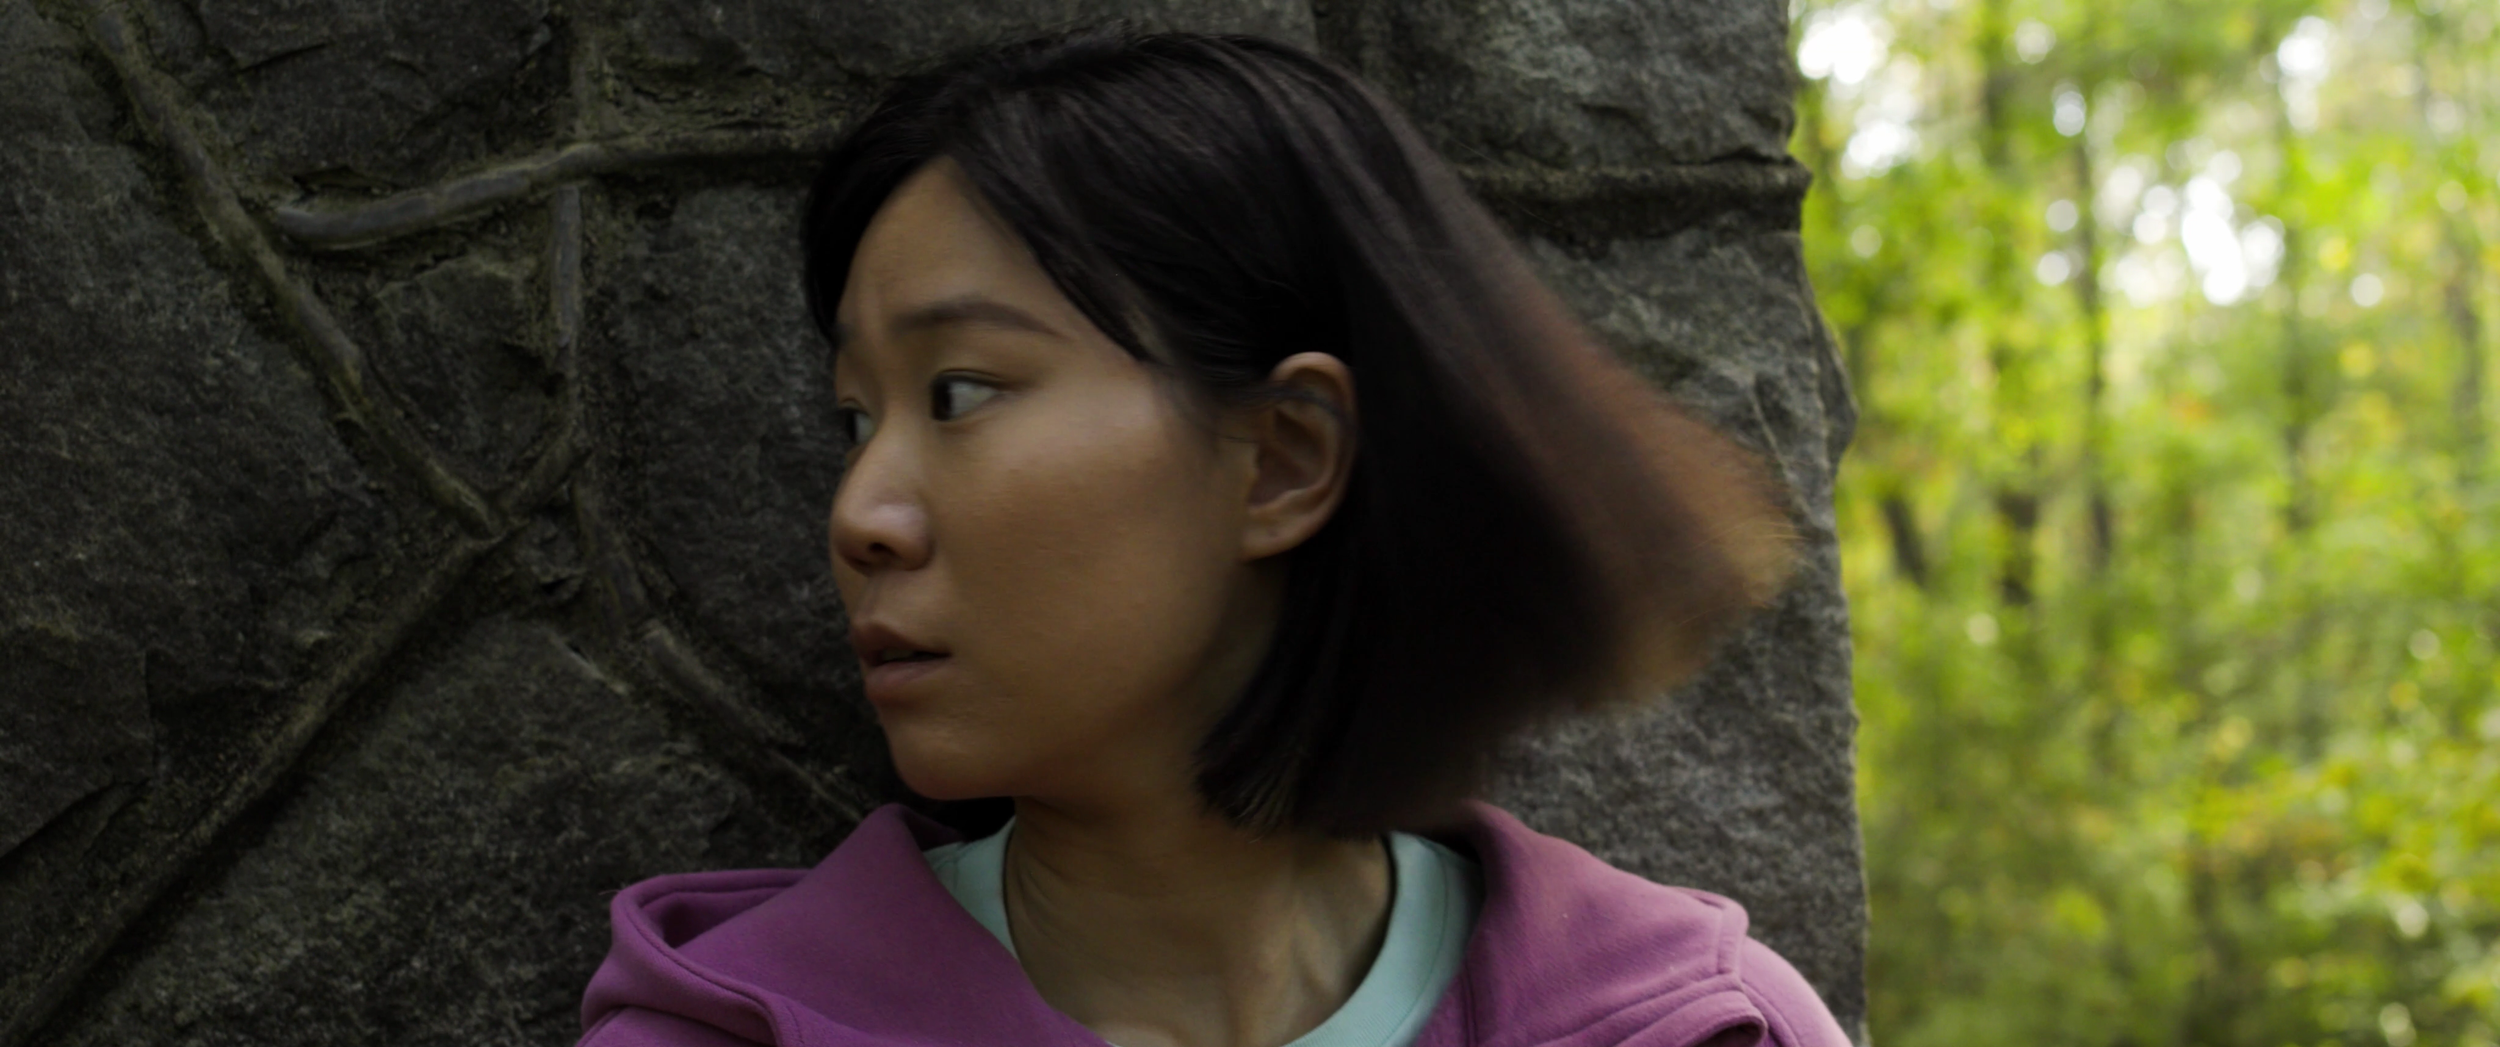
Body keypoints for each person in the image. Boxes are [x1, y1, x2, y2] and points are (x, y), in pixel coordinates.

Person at [575, 23, 1846, 1047]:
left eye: (959, 392)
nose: (860, 515)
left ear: (1281, 460)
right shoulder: (736, 1028)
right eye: (858, 421)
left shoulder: (1705, 1025)